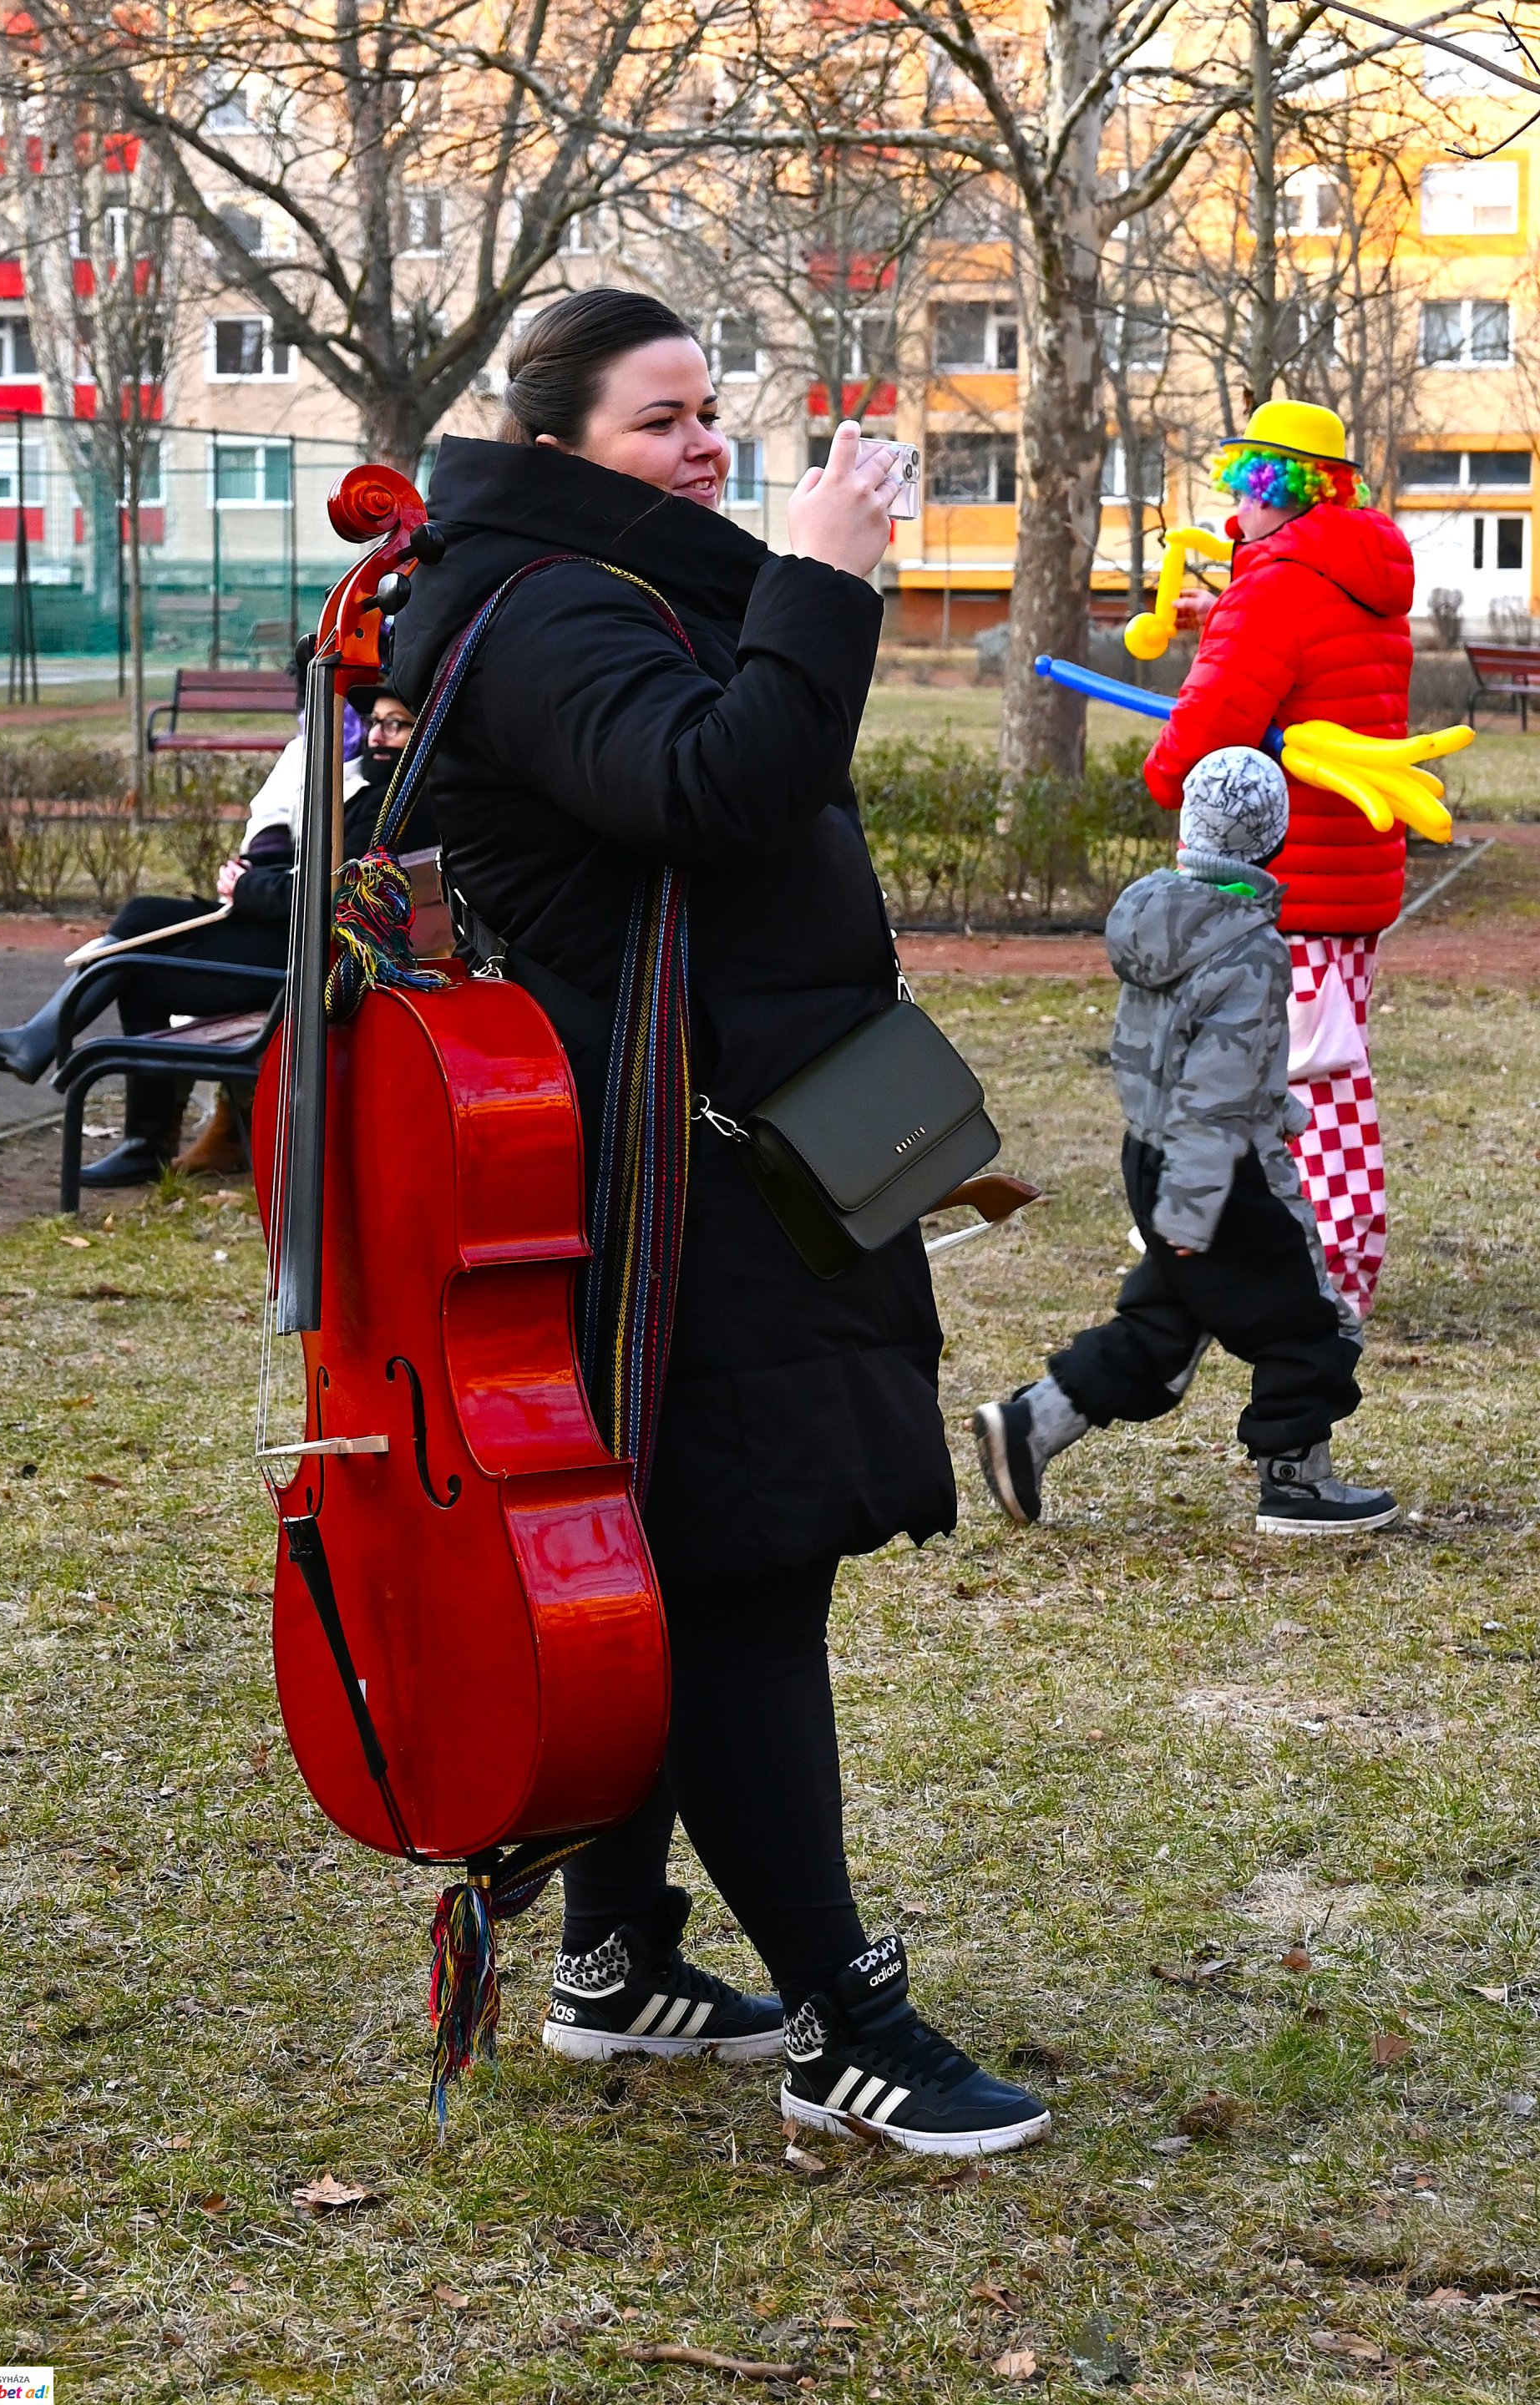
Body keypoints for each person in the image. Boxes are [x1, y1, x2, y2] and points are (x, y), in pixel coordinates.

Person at [390, 286, 1050, 2158]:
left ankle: (617, 1954)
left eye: (707, 414)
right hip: (675, 1191)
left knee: (677, 1573)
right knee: (739, 1585)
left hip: (733, 1153)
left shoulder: (605, 586)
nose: (703, 447)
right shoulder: (550, 609)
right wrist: (824, 575)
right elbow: (721, 786)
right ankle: (849, 2026)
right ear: (557, 442)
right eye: (659, 420)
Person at [972, 747, 1398, 1539]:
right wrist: (1195, 1211)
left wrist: (1224, 1153)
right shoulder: (1251, 949)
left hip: (1154, 1153)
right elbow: (1215, 1094)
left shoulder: (1155, 918)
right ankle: (1297, 1483)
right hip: (1223, 1173)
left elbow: (1173, 1060)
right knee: (1310, 1320)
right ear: (1276, 838)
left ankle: (1031, 1424)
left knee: (1164, 1327)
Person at [1140, 402, 1414, 1321]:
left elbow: (1209, 724)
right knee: (1294, 1068)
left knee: (1312, 1083)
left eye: (1250, 486)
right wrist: (1223, 616)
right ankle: (1241, 1249)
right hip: (1351, 872)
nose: (1236, 510)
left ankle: (1336, 1273)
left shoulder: (1277, 588)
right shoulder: (1359, 574)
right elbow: (1316, 673)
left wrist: (1166, 773)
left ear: (1287, 490)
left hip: (1284, 878)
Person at [0, 688, 424, 1186]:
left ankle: (136, 1134)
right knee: (144, 916)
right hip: (294, 941)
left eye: (395, 725)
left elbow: (328, 899)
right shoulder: (386, 794)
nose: (377, 736)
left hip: (303, 961)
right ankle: (44, 1046)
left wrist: (246, 887)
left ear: (421, 735)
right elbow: (312, 877)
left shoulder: (393, 809)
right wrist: (255, 875)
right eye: (375, 722)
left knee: (140, 976)